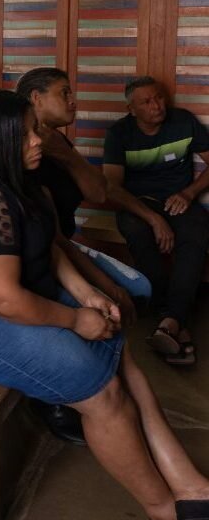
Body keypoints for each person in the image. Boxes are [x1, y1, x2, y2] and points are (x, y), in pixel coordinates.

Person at [0, 88, 209, 520]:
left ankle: (187, 480)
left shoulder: (16, 177)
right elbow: (0, 299)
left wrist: (87, 295)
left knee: (116, 346)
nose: (38, 141)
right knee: (102, 389)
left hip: (8, 298)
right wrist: (74, 319)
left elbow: (49, 248)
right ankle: (161, 505)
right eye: (28, 133)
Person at [16, 67, 151, 445]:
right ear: (36, 99)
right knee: (114, 296)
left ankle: (105, 378)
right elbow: (53, 241)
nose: (74, 101)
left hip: (65, 246)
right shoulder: (24, 152)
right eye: (65, 93)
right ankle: (59, 396)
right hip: (52, 251)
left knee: (139, 287)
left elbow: (97, 191)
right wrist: (103, 285)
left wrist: (68, 155)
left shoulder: (55, 142)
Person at [103, 76, 209, 366]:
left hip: (178, 199)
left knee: (196, 234)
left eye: (159, 98)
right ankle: (175, 321)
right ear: (131, 109)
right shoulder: (119, 134)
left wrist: (188, 193)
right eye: (146, 102)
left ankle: (169, 321)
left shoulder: (183, 122)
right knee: (138, 234)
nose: (157, 105)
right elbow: (112, 187)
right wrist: (152, 218)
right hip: (138, 206)